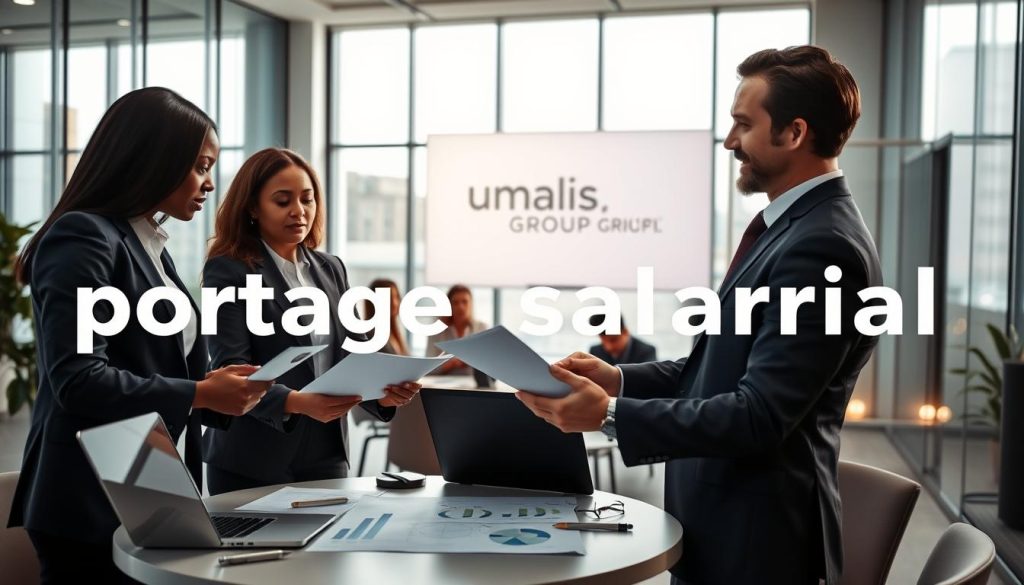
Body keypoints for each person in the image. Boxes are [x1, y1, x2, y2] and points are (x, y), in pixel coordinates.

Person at [516, 46, 881, 585]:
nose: (730, 142)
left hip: (757, 547)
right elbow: (718, 367)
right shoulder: (792, 230)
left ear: (794, 132)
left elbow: (759, 415)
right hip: (728, 529)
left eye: (744, 125)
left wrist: (611, 415)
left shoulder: (821, 247)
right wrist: (617, 379)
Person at [7, 87, 271, 584]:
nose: (209, 183)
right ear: (153, 158)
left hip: (145, 484)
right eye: (200, 166)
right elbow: (78, 379)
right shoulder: (84, 236)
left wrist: (220, 391)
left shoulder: (150, 246)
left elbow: (153, 364)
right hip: (88, 496)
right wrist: (199, 393)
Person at [202, 147, 421, 495]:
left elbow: (352, 354)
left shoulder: (331, 268)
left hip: (326, 453)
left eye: (307, 199)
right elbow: (232, 369)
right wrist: (296, 402)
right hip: (252, 458)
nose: (299, 211)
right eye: (282, 201)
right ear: (253, 207)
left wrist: (383, 395)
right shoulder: (228, 270)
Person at [426, 284, 487, 376]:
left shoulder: (481, 328)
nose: (460, 307)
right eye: (455, 303)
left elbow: (488, 365)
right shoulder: (437, 330)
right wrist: (451, 364)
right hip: (444, 382)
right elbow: (427, 368)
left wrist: (472, 362)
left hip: (472, 381)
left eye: (465, 302)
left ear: (471, 304)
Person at [587, 315, 657, 365]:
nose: (608, 347)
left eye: (613, 340)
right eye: (603, 340)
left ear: (625, 332)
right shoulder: (595, 351)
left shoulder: (647, 352)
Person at [365, 278, 409, 356]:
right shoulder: (370, 334)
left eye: (396, 297)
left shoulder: (393, 332)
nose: (395, 303)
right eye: (389, 298)